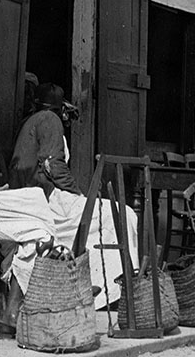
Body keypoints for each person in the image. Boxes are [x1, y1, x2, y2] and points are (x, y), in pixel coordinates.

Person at [0, 57, 138, 339]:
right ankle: (44, 295)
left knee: (34, 229)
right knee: (34, 204)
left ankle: (13, 311)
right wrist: (0, 191)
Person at [9, 81, 138, 310]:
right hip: (48, 200)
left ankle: (101, 288)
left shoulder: (27, 122)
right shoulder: (50, 120)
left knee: (102, 219)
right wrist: (77, 193)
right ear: (59, 108)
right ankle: (118, 291)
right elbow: (51, 165)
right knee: (123, 214)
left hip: (32, 198)